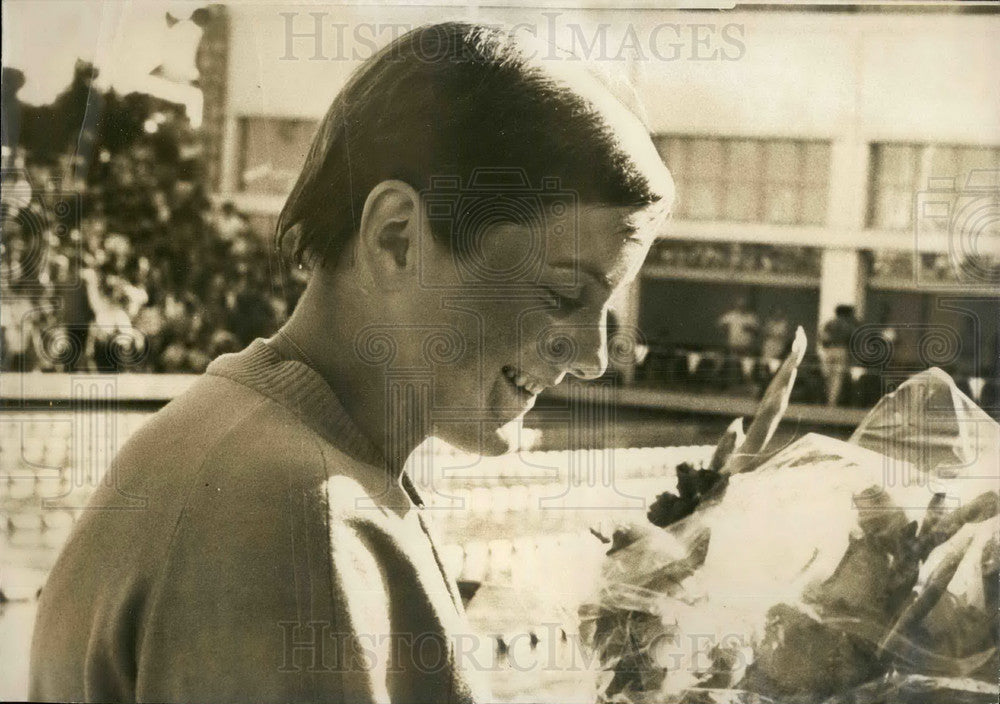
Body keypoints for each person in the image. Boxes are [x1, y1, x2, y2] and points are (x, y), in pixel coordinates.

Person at [30, 23, 676, 703]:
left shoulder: (257, 447)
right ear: (397, 238)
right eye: (564, 294)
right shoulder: (297, 517)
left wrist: (642, 667)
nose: (595, 358)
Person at [818, 304, 860, 406]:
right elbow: (852, 339)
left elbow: (822, 337)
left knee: (828, 377)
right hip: (841, 350)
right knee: (837, 378)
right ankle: (832, 402)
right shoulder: (848, 324)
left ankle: (827, 399)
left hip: (828, 351)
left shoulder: (829, 323)